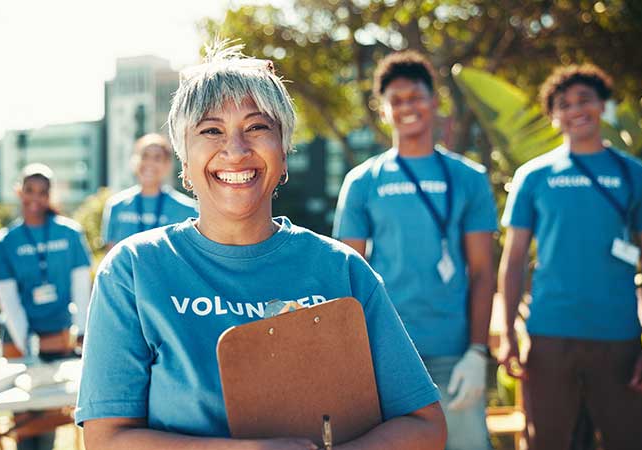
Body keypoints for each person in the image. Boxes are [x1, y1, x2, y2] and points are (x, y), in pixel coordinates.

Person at [76, 43, 446, 450]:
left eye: (256, 127)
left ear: (284, 153)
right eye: (211, 130)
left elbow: (423, 426)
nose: (235, 151)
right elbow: (107, 439)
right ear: (183, 161)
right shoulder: (133, 270)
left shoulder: (342, 269)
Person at [333, 50, 497, 450]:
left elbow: (482, 271)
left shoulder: (469, 178)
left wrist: (478, 352)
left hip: (453, 354)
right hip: (386, 354)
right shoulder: (363, 181)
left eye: (416, 96)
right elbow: (345, 274)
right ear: (383, 109)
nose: (407, 107)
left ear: (435, 100)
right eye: (397, 100)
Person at [497, 64, 642, 450]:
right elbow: (514, 260)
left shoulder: (640, 177)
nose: (575, 109)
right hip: (549, 336)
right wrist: (507, 335)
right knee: (546, 442)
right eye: (563, 104)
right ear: (554, 116)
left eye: (584, 99)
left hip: (618, 337)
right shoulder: (533, 176)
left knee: (629, 441)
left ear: (603, 106)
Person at [0, 163, 92, 450]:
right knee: (23, 418)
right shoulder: (4, 242)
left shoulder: (70, 233)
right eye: (29, 190)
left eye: (42, 192)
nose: (35, 197)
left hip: (60, 335)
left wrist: (79, 333)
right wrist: (31, 344)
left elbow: (82, 290)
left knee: (48, 416)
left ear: (50, 195)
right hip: (19, 337)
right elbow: (8, 302)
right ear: (18, 191)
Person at [101, 133, 196, 250]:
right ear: (133, 161)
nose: (149, 163)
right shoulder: (116, 205)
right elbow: (111, 256)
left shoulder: (187, 209)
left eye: (157, 158)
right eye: (144, 156)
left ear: (167, 165)